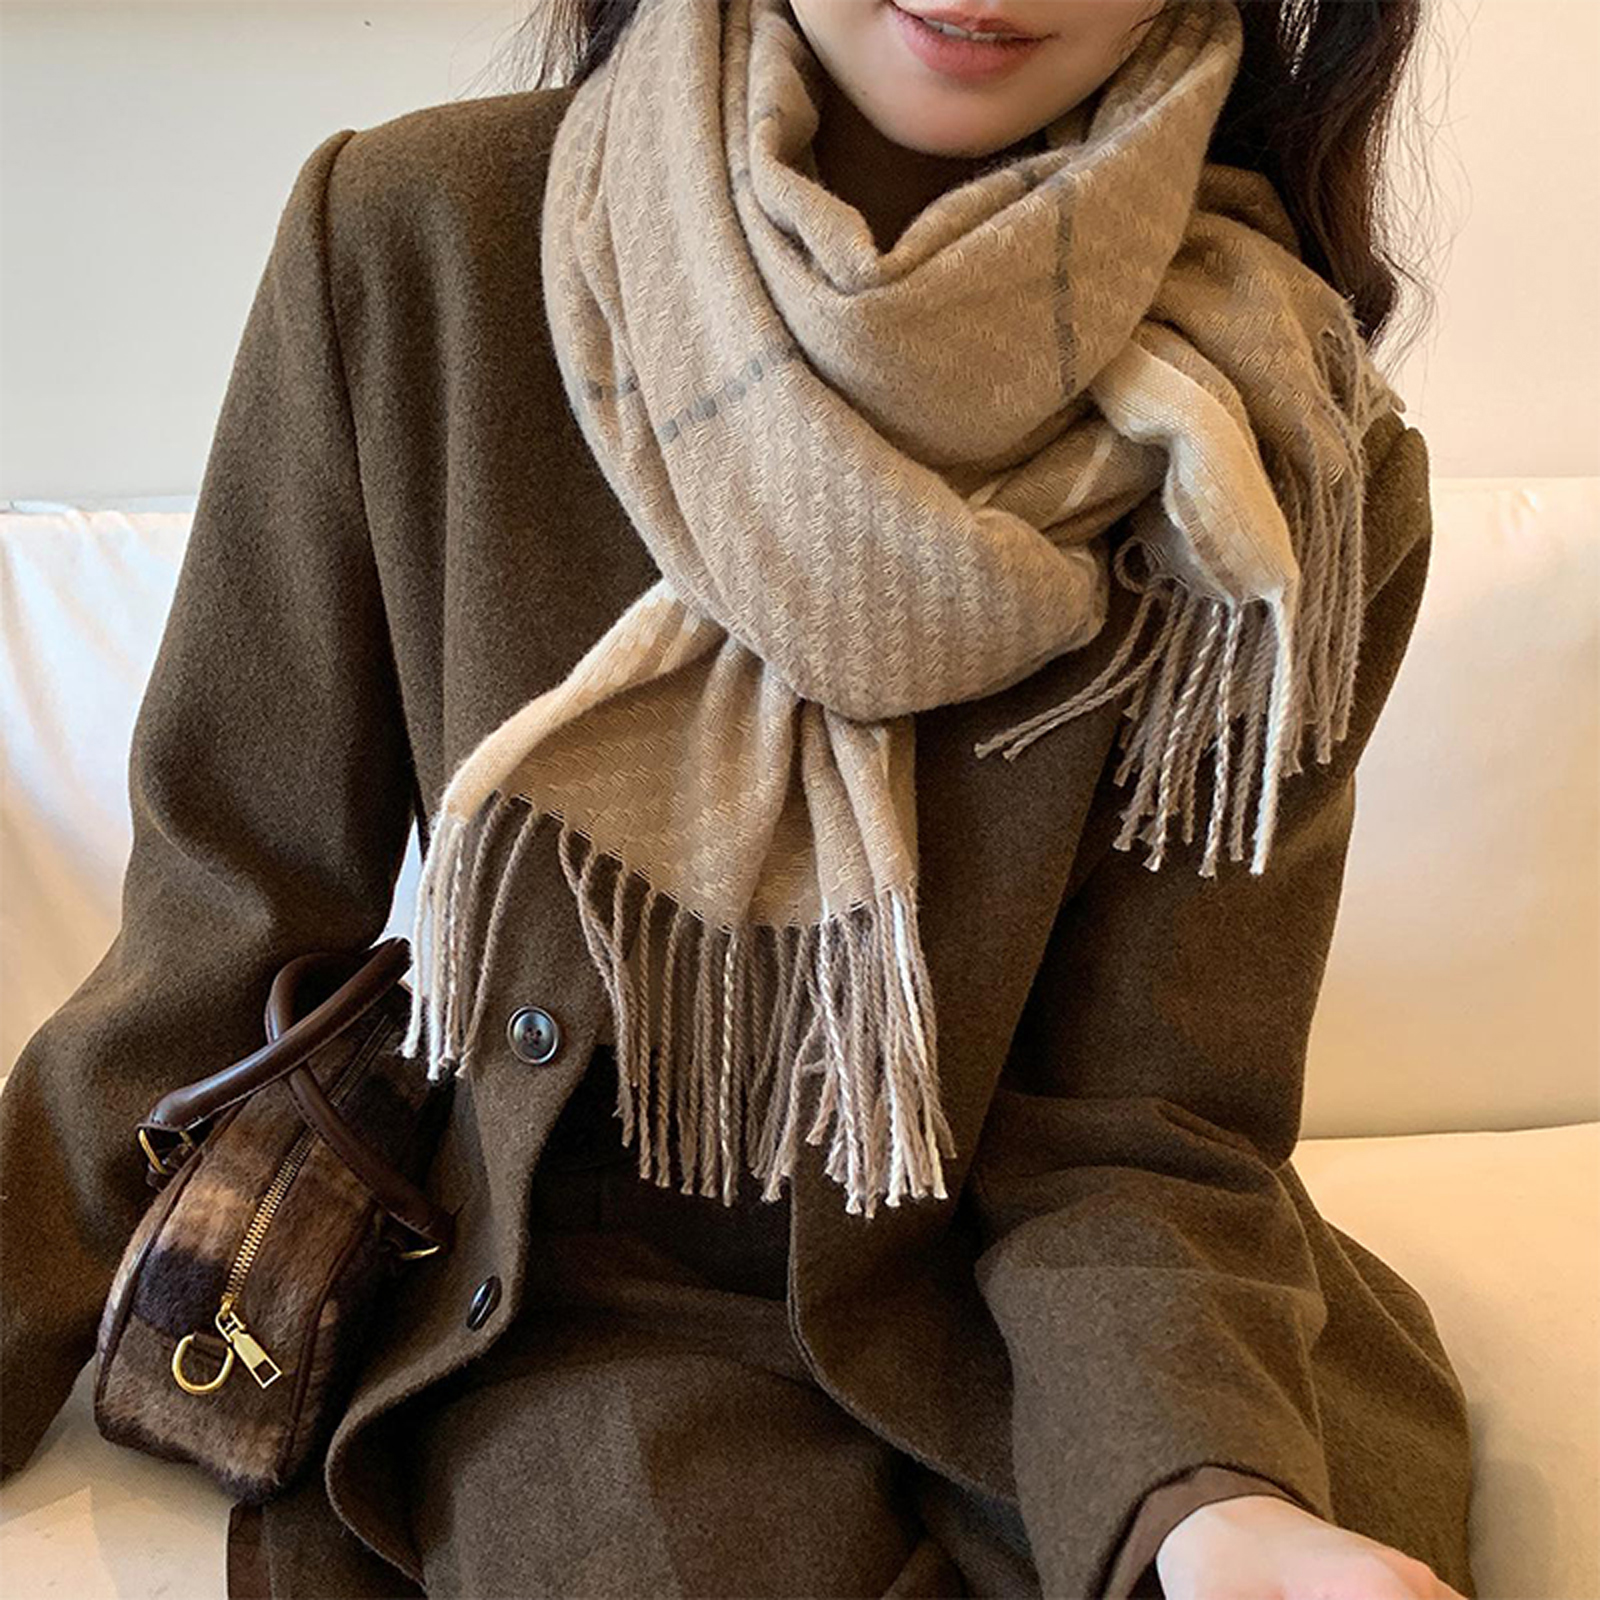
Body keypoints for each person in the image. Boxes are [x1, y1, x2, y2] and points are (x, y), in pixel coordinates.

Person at [0, 1, 1476, 1596]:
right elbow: (227, 923)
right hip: (584, 1322)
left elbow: (1144, 1120)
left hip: (1076, 1340)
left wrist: (1208, 1503)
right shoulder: (421, 248)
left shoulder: (1282, 439)